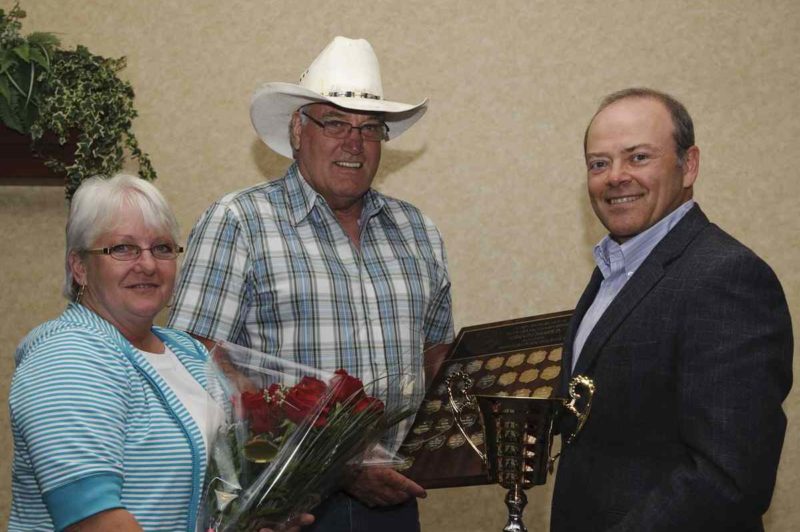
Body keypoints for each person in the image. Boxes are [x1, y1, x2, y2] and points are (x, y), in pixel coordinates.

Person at [168, 36, 454, 531]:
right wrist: (334, 459)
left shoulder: (417, 231)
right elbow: (191, 361)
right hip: (279, 506)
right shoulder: (240, 221)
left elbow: (438, 360)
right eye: (335, 123)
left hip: (394, 501)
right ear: (299, 131)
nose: (354, 143)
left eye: (370, 128)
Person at [9, 174, 313, 532]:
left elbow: (214, 490)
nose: (148, 265)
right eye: (123, 248)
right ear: (79, 267)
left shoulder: (187, 351)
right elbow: (93, 520)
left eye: (162, 248)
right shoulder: (67, 356)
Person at [551, 88, 793, 531]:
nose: (616, 177)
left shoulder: (727, 277)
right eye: (599, 163)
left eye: (638, 157)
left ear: (689, 165)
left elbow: (729, 477)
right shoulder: (615, 270)